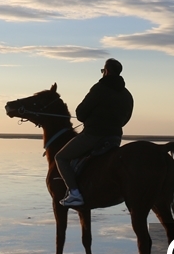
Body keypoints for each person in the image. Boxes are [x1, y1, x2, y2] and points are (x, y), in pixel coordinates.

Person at [56, 58, 134, 207]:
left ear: (107, 71)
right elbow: (126, 118)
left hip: (94, 135)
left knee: (60, 157)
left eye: (103, 70)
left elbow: (80, 113)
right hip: (115, 138)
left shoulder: (99, 88)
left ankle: (74, 193)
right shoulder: (127, 94)